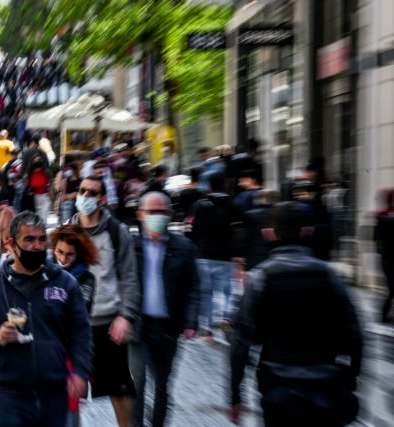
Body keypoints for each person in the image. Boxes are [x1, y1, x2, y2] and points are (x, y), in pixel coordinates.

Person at [229, 202, 363, 427]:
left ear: (269, 234)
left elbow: (241, 341)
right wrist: (351, 377)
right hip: (324, 385)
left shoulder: (261, 277)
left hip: (278, 387)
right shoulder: (329, 275)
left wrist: (235, 395)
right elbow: (354, 333)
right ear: (308, 232)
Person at [0, 211, 93, 427]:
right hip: (9, 396)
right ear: (11, 244)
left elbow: (81, 331)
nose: (37, 246)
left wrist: (80, 372)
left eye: (42, 239)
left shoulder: (65, 283)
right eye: (29, 239)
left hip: (55, 394)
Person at [69, 175, 140, 427]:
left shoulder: (116, 231)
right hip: (73, 325)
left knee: (119, 388)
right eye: (82, 190)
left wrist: (126, 315)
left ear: (102, 199)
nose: (85, 196)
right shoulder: (68, 232)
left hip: (108, 324)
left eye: (92, 192)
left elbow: (130, 276)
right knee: (70, 389)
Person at [130, 192, 200, 427]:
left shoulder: (184, 247)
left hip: (168, 328)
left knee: (162, 386)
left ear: (170, 214)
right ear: (140, 215)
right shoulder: (131, 247)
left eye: (162, 211)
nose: (157, 216)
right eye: (151, 212)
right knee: (137, 384)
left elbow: (193, 286)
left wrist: (191, 322)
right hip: (139, 327)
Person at [188, 171, 243, 340]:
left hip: (204, 255)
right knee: (227, 290)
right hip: (226, 255)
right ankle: (227, 318)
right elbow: (240, 228)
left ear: (210, 186)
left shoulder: (201, 205)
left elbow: (193, 230)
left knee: (206, 292)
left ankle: (207, 329)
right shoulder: (232, 204)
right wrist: (238, 252)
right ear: (225, 185)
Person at [50, 224, 98, 312]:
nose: (63, 259)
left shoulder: (87, 279)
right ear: (54, 249)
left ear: (78, 255)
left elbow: (80, 312)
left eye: (70, 254)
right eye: (60, 252)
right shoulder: (43, 270)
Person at [375, 188, 394, 323]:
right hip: (389, 259)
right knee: (392, 290)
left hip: (387, 258)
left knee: (392, 290)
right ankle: (383, 316)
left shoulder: (382, 217)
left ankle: (384, 316)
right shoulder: (384, 218)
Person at [24, 152, 52, 223]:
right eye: (35, 161)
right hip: (34, 198)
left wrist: (52, 198)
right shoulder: (29, 174)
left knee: (44, 219)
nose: (37, 162)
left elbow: (50, 186)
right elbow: (27, 187)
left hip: (45, 197)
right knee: (36, 219)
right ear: (32, 162)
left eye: (39, 160)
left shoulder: (46, 172)